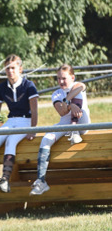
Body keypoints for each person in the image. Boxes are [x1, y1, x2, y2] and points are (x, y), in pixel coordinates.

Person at [0, 55, 39, 195]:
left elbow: (34, 110)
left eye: (13, 68)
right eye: (7, 68)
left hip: (26, 121)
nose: (10, 71)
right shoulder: (2, 87)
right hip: (11, 120)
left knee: (11, 141)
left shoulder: (29, 85)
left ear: (20, 69)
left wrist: (33, 130)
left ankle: (5, 180)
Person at [30, 65, 89, 195]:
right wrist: (69, 106)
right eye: (58, 79)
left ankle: (74, 129)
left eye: (64, 78)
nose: (61, 81)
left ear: (72, 77)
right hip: (66, 122)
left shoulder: (77, 85)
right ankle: (41, 181)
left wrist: (68, 101)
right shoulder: (56, 93)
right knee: (46, 139)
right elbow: (62, 112)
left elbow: (81, 87)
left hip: (82, 120)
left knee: (77, 96)